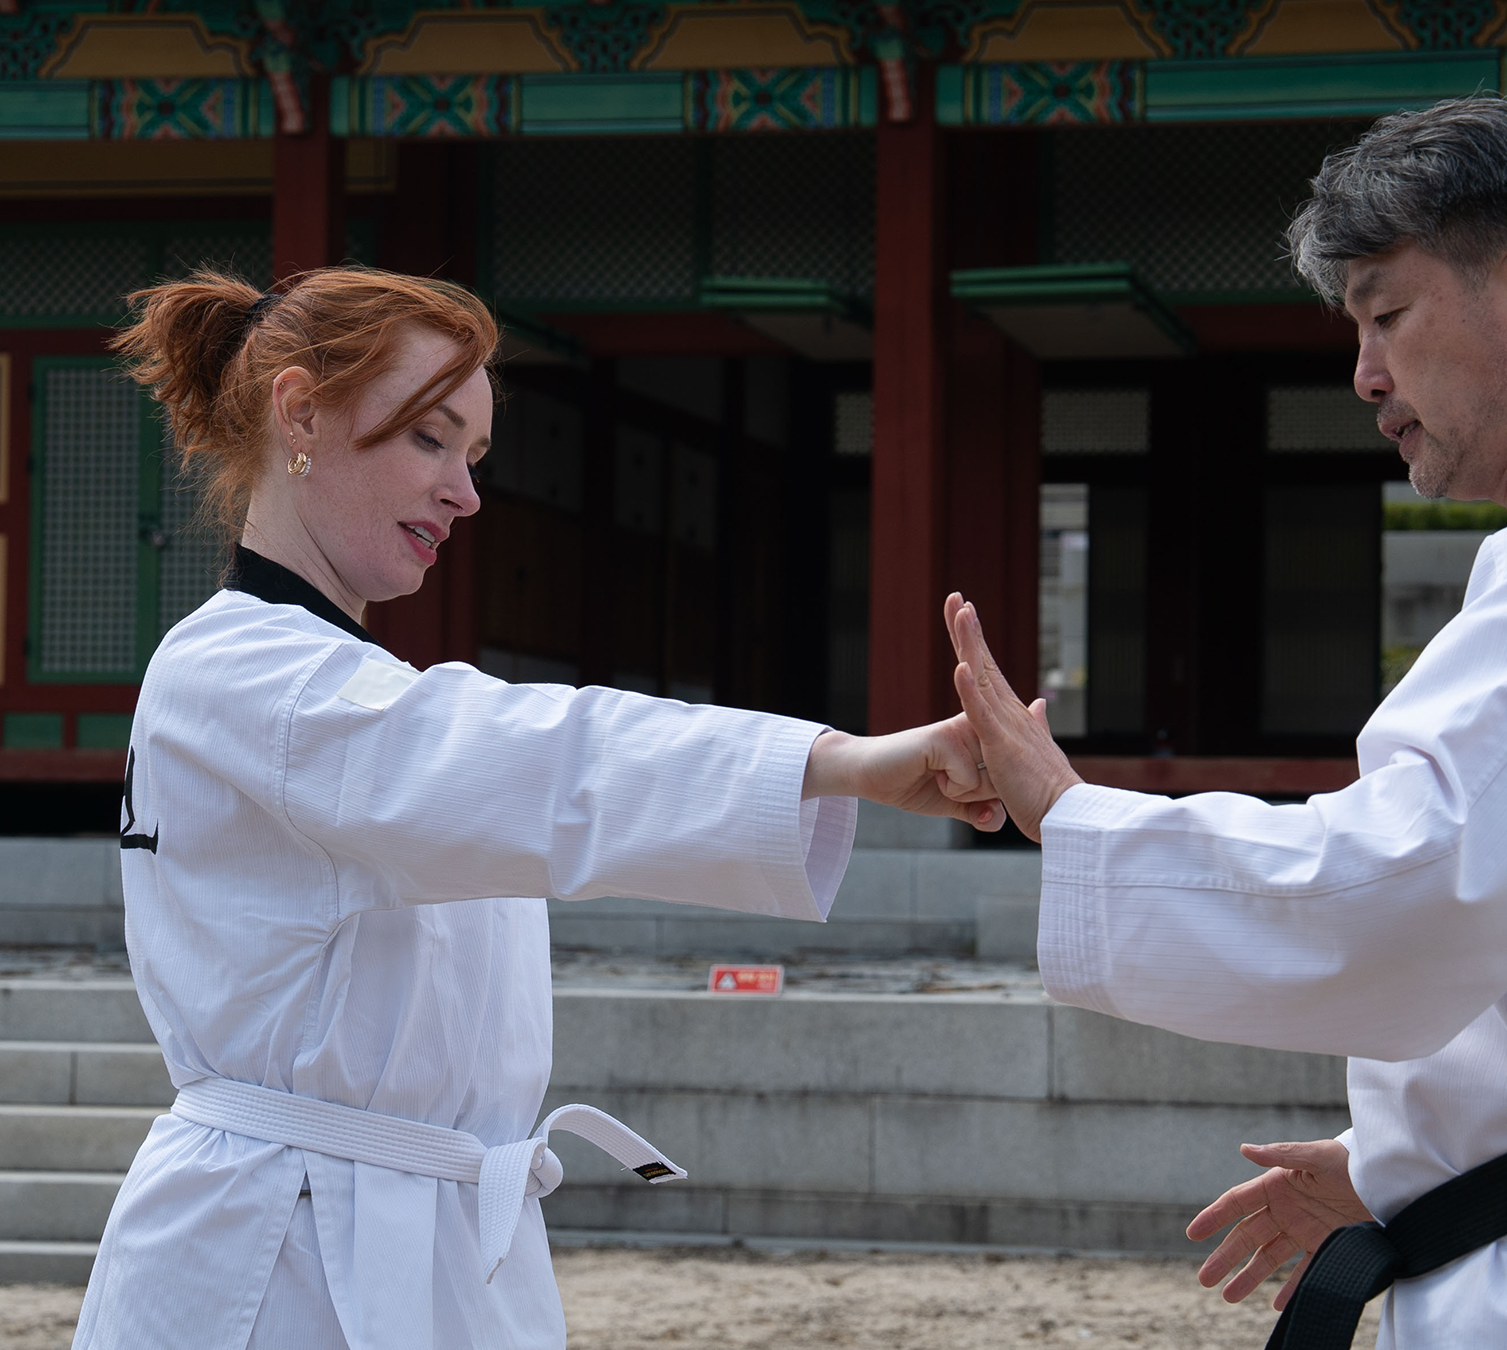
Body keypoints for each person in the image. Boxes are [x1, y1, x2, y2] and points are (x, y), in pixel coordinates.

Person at [942, 95, 1507, 1349]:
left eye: (1385, 314)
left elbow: (1414, 882)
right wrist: (1414, 1152)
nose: (1364, 375)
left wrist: (1077, 818)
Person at [74, 266, 1004, 1350]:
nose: (466, 495)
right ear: (301, 413)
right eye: (431, 438)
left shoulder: (318, 682)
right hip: (284, 1257)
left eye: (473, 456)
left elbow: (520, 773)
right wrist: (836, 761)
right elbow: (550, 759)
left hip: (399, 1226)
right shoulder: (248, 677)